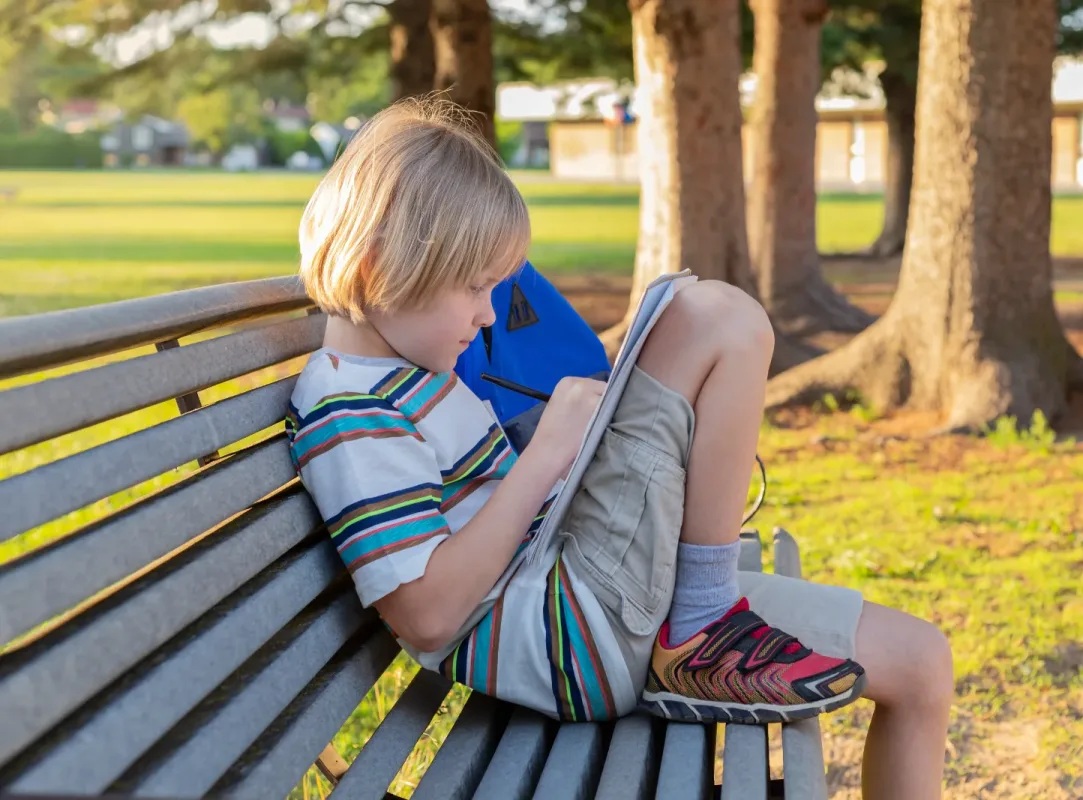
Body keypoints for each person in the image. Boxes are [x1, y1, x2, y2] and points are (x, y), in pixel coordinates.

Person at [286, 99, 954, 798]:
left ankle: (703, 616)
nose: (488, 315)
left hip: (593, 602)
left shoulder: (403, 376)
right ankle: (700, 625)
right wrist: (547, 455)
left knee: (920, 661)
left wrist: (576, 451)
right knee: (716, 318)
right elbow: (428, 616)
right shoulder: (350, 412)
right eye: (475, 287)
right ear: (374, 269)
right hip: (573, 635)